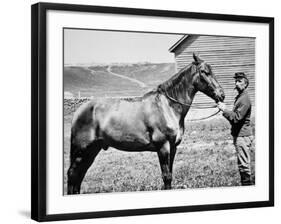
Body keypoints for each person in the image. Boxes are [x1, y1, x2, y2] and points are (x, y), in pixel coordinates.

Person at [217, 72, 254, 186]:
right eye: (236, 81)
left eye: (240, 81)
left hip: (242, 136)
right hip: (240, 135)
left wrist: (224, 110)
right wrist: (226, 111)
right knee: (243, 164)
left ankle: (248, 189)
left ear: (245, 84)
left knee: (244, 166)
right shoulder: (240, 97)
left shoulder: (244, 99)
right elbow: (234, 117)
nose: (236, 83)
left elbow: (236, 118)